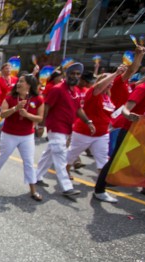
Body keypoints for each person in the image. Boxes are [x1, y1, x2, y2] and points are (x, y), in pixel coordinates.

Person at [35, 62, 95, 197]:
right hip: (56, 127)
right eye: (72, 73)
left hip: (66, 128)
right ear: (66, 75)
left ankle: (36, 177)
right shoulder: (57, 89)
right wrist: (40, 125)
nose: (75, 76)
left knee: (49, 153)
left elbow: (78, 109)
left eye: (78, 74)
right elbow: (47, 107)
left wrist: (88, 121)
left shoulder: (75, 91)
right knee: (61, 155)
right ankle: (66, 187)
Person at [0, 74, 45, 201]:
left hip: (27, 136)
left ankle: (33, 190)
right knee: (3, 157)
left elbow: (40, 118)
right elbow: (2, 114)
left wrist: (27, 115)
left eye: (22, 82)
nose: (18, 84)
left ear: (29, 84)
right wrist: (15, 108)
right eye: (18, 81)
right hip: (9, 134)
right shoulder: (10, 98)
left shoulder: (38, 99)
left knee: (29, 162)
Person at [66, 67, 126, 184]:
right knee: (72, 155)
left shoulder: (107, 96)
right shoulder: (93, 93)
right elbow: (98, 87)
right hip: (84, 132)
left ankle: (101, 185)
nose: (110, 85)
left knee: (102, 159)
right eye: (108, 82)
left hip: (102, 134)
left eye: (111, 83)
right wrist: (116, 73)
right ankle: (65, 171)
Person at [94, 75, 145, 202]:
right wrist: (130, 115)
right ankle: (99, 190)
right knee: (114, 160)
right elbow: (125, 109)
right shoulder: (143, 88)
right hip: (130, 131)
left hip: (143, 133)